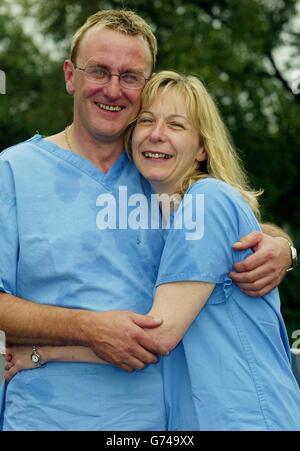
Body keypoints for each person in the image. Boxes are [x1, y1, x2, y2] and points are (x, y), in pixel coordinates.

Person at [0, 10, 296, 431]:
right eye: (99, 71)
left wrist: (283, 247)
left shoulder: (158, 170)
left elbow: (224, 222)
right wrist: (85, 327)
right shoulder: (12, 172)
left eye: (130, 76)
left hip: (164, 422)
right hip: (46, 415)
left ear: (146, 85)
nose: (113, 89)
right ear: (71, 75)